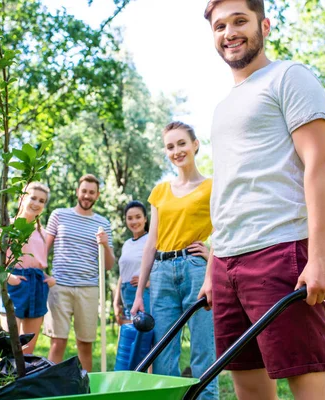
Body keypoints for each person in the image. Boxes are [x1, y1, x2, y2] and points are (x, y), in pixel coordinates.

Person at [201, 1, 325, 399]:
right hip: (228, 261)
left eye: (240, 21)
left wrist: (320, 255)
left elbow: (319, 163)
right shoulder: (222, 106)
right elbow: (230, 188)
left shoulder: (289, 77)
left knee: (308, 379)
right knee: (248, 384)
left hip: (279, 251)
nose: (229, 32)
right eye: (220, 26)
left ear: (263, 24)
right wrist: (215, 264)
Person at [131, 122, 219, 400]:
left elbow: (224, 229)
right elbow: (151, 243)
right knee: (164, 350)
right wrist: (138, 293)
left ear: (195, 145)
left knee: (203, 348)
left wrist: (211, 260)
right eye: (170, 146)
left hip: (195, 270)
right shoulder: (160, 191)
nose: (177, 150)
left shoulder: (212, 187)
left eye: (182, 143)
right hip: (161, 272)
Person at [43, 174, 115, 371]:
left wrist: (106, 244)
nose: (87, 195)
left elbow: (109, 265)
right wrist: (44, 275)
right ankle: (51, 390)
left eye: (92, 192)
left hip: (89, 289)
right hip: (60, 287)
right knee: (58, 342)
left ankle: (86, 389)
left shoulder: (103, 224)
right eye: (84, 191)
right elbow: (43, 249)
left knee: (85, 345)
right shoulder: (59, 215)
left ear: (97, 195)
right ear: (77, 191)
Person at [0, 182, 55, 355]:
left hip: (38, 286)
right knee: (8, 347)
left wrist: (49, 279)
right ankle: (2, 381)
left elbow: (37, 263)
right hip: (15, 284)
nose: (37, 203)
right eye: (33, 198)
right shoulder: (7, 229)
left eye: (42, 201)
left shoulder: (43, 234)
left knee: (27, 350)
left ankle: (22, 381)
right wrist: (8, 277)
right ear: (22, 198)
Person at [113, 201, 151, 325]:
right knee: (129, 337)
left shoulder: (151, 240)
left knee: (144, 336)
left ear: (145, 219)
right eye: (130, 218)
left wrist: (149, 282)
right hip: (126, 295)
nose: (134, 222)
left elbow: (161, 266)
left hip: (143, 295)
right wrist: (116, 301)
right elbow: (123, 274)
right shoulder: (127, 244)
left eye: (138, 217)